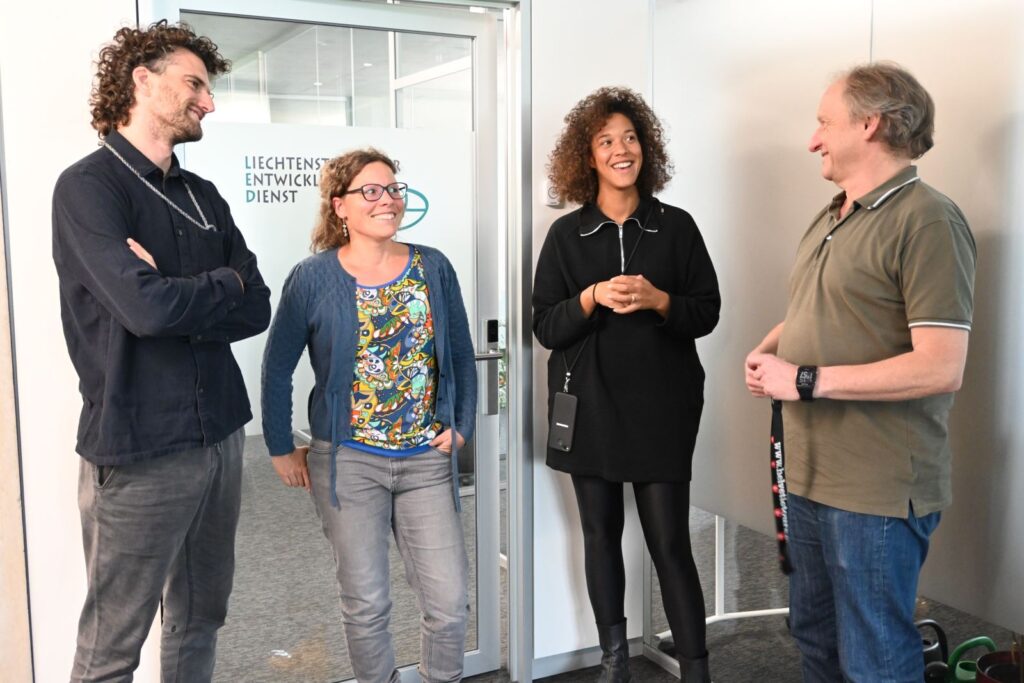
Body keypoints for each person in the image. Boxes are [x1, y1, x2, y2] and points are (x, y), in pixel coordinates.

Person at [52, 20, 271, 683]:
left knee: (201, 616)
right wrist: (214, 286)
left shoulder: (203, 197)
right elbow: (144, 310)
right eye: (195, 84)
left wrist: (186, 290)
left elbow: (256, 301)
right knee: (113, 643)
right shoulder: (89, 188)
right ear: (141, 81)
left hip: (222, 437)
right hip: (141, 445)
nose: (209, 102)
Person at [745, 62, 976, 682]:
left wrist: (802, 379)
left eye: (824, 122)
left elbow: (940, 366)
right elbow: (828, 307)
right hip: (809, 476)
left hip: (874, 493)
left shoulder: (928, 220)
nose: (812, 138)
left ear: (869, 124)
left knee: (876, 657)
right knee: (815, 640)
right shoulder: (833, 213)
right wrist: (774, 346)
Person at [261, 148, 477, 683]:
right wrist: (279, 445)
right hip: (348, 462)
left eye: (394, 189)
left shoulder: (432, 267)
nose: (388, 200)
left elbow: (460, 355)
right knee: (366, 605)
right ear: (341, 206)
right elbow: (275, 368)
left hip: (426, 458)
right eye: (371, 191)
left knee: (449, 604)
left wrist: (461, 424)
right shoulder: (311, 278)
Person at [532, 87, 720, 683]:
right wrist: (589, 298)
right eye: (606, 140)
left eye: (630, 138)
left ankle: (695, 668)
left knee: (670, 541)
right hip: (588, 407)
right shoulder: (566, 236)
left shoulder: (677, 226)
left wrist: (660, 299)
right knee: (599, 534)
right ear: (587, 156)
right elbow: (544, 325)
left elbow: (707, 311)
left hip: (663, 405)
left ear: (646, 149)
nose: (621, 149)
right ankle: (614, 662)